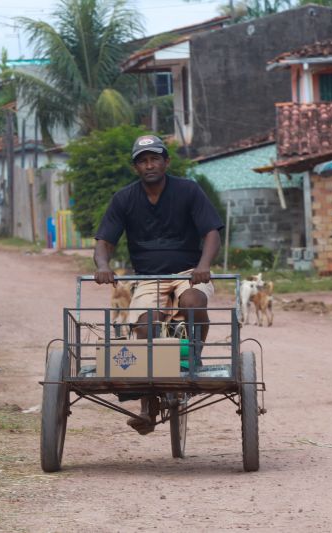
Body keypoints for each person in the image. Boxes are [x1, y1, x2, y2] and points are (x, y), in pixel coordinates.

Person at [94, 134, 224, 434]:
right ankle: (147, 407)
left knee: (192, 302)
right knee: (144, 325)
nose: (149, 165)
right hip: (146, 278)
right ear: (135, 167)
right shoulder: (124, 199)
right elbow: (104, 241)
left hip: (189, 273)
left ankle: (194, 356)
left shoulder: (188, 191)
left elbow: (211, 232)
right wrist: (103, 266)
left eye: (154, 158)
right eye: (142, 160)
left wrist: (204, 266)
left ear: (166, 161)